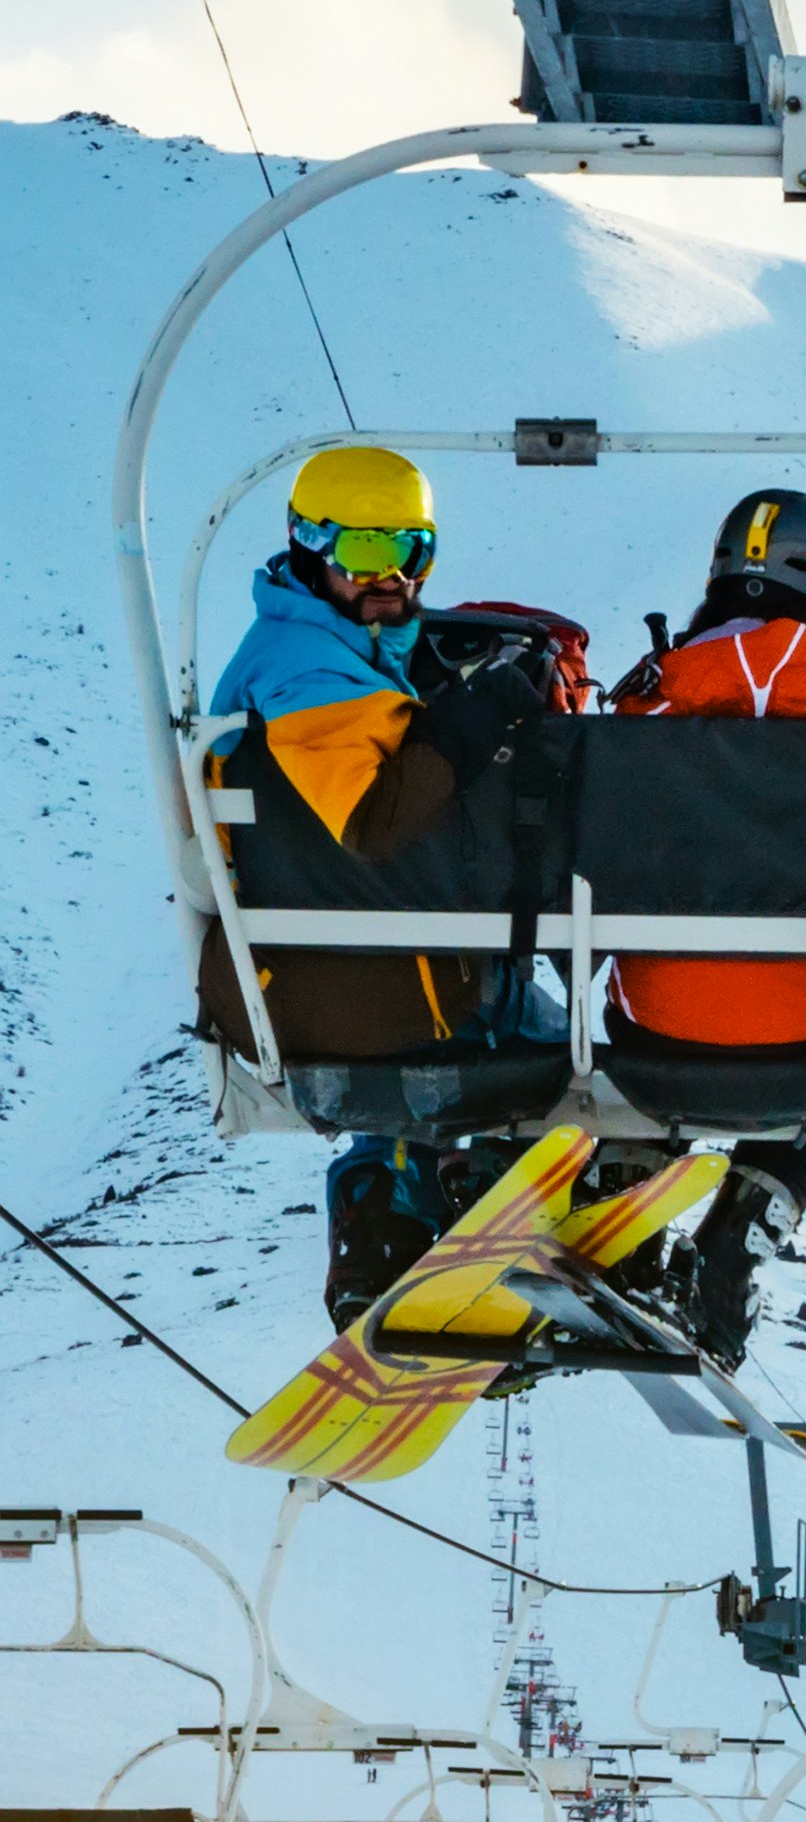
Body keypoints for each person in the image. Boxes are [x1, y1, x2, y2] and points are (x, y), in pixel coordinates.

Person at [204, 445, 577, 1320]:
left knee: (421, 1037)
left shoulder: (327, 650)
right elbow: (374, 820)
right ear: (308, 544)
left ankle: (383, 1216)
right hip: (370, 986)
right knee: (589, 1064)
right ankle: (482, 1200)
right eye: (364, 553)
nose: (391, 577)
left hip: (327, 976)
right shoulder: (305, 669)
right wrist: (476, 716)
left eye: (410, 552)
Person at [603, 493, 806, 1358]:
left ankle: (629, 1191)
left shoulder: (647, 705)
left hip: (659, 1031)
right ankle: (745, 1226)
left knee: (665, 999)